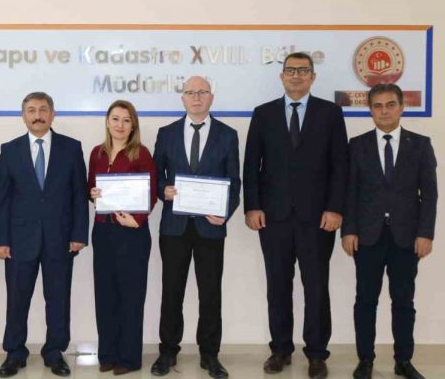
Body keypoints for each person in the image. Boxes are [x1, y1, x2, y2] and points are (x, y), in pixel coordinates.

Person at [243, 53, 348, 379]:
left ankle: (316, 353)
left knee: (316, 288)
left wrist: (335, 208)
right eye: (291, 70)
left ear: (313, 77)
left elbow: (340, 166)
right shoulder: (263, 114)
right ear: (282, 76)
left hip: (318, 219)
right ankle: (280, 350)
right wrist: (252, 206)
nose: (297, 76)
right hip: (273, 217)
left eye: (303, 71)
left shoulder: (330, 113)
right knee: (277, 286)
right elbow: (252, 164)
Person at [341, 84, 437, 379]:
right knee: (365, 301)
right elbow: (350, 192)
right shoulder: (357, 145)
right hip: (367, 236)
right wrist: (348, 230)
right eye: (378, 105)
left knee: (404, 301)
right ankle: (365, 360)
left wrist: (426, 233)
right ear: (370, 109)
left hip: (407, 238)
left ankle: (403, 360)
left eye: (390, 104)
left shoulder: (420, 144)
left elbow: (429, 194)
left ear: (401, 107)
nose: (384, 111)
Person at [0, 92, 88, 378]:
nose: (38, 115)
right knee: (17, 299)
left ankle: (54, 352)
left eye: (43, 109)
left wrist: (79, 233)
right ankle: (14, 353)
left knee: (58, 298)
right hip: (19, 240)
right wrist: (0, 239)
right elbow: (2, 199)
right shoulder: (9, 150)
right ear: (23, 115)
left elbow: (79, 195)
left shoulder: (71, 148)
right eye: (32, 110)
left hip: (61, 238)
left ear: (53, 113)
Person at [151, 76, 240, 379]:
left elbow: (234, 181)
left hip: (210, 227)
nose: (197, 97)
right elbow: (156, 176)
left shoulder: (228, 135)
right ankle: (167, 351)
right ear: (183, 98)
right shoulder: (166, 133)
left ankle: (210, 354)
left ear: (211, 97)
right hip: (174, 227)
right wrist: (163, 190)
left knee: (210, 293)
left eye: (202, 92)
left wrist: (224, 212)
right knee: (171, 292)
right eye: (191, 92)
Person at [87, 100, 157, 375]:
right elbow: (90, 188)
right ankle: (108, 354)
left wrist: (137, 220)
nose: (120, 125)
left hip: (132, 233)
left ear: (133, 125)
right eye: (115, 119)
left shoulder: (142, 153)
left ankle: (129, 358)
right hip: (103, 231)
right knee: (105, 295)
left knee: (130, 296)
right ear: (107, 121)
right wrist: (93, 193)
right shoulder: (97, 153)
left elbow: (151, 192)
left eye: (126, 120)